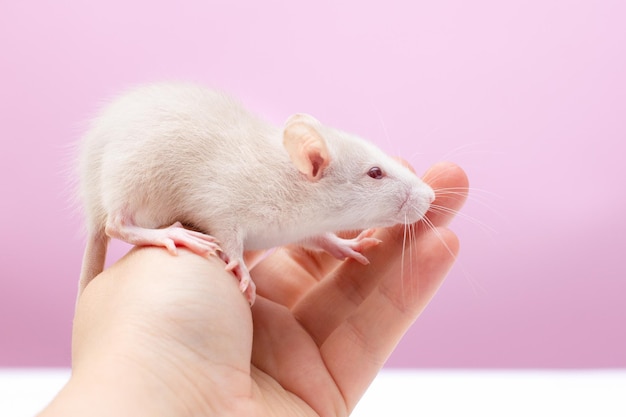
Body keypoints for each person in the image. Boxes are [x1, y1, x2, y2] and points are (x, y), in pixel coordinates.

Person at [39, 162, 467, 417]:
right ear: (314, 162)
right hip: (139, 182)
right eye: (375, 173)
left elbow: (293, 225)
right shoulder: (268, 182)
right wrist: (235, 259)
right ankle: (124, 222)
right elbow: (232, 210)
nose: (415, 192)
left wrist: (334, 241)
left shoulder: (300, 197)